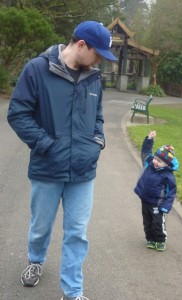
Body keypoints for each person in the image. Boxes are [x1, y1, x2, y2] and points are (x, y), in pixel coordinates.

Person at [7, 21, 117, 300]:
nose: (100, 60)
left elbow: (98, 116)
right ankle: (35, 260)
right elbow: (18, 113)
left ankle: (73, 292)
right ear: (81, 45)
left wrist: (98, 141)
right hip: (47, 167)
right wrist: (46, 144)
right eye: (98, 54)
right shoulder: (37, 69)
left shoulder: (93, 77)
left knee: (77, 233)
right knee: (41, 226)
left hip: (83, 170)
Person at [134, 130, 179, 251]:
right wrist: (149, 139)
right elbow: (145, 152)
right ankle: (150, 239)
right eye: (156, 158)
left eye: (159, 161)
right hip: (145, 200)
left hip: (157, 204)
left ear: (166, 164)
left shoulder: (168, 176)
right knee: (147, 222)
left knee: (157, 223)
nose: (155, 162)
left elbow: (171, 193)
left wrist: (165, 206)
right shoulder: (149, 163)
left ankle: (160, 239)